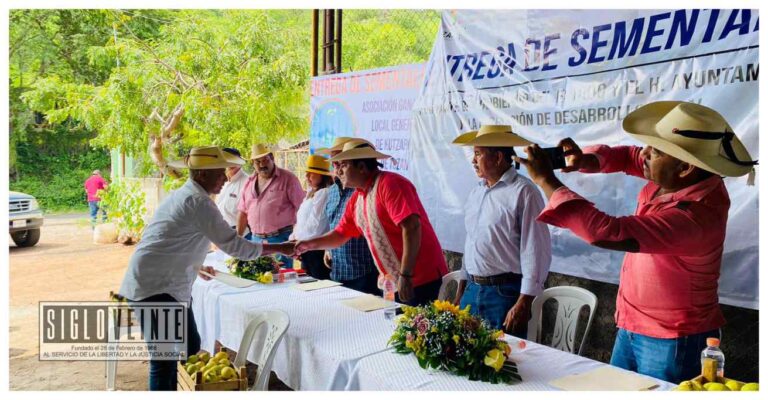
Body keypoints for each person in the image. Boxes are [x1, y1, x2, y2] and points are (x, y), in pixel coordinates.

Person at [515, 101, 757, 383]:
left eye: (655, 151)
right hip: (631, 324)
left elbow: (608, 232)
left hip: (672, 340)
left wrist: (547, 181)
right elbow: (630, 157)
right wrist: (585, 161)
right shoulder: (679, 176)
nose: (645, 153)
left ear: (685, 167)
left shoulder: (696, 216)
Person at [119, 146, 294, 390]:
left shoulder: (188, 196)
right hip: (155, 287)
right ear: (202, 174)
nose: (224, 178)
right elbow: (235, 246)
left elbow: (170, 240)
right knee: (164, 361)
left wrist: (195, 265)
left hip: (165, 284)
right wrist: (281, 247)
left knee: (190, 347)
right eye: (219, 172)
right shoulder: (197, 201)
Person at [294, 141, 448, 306]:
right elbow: (340, 234)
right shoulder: (358, 198)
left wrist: (405, 274)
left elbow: (411, 227)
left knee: (417, 322)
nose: (338, 171)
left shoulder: (390, 183)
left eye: (343, 165)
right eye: (337, 165)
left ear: (361, 167)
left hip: (420, 278)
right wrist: (306, 244)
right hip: (394, 280)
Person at [451, 125, 552, 336]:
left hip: (504, 294)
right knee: (466, 352)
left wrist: (524, 301)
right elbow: (471, 243)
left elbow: (535, 249)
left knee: (503, 354)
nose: (473, 160)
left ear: (498, 157)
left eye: (478, 154)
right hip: (472, 289)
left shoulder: (524, 191)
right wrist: (461, 289)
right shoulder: (477, 192)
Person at [317, 137, 380, 295]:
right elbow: (333, 224)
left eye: (341, 162)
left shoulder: (364, 190)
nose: (337, 167)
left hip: (363, 272)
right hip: (337, 270)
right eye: (334, 162)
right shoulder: (332, 191)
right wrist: (327, 249)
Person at [236, 144, 305, 268]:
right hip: (255, 240)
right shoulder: (249, 182)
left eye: (265, 160)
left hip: (281, 240)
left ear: (272, 158)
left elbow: (302, 209)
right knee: (257, 275)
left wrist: (296, 236)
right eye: (258, 161)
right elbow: (243, 212)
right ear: (253, 163)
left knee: (281, 276)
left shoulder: (288, 179)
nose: (262, 164)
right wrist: (237, 239)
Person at [289, 154, 333, 279]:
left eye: (311, 174)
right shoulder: (311, 192)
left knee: (317, 282)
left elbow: (316, 226)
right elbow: (301, 222)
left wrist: (299, 242)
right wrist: (294, 239)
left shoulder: (324, 193)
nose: (307, 177)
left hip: (315, 249)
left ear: (322, 175)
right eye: (307, 173)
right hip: (305, 247)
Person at [214, 147, 250, 230]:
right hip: (219, 230)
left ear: (240, 162)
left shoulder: (248, 182)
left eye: (234, 161)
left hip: (239, 232)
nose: (231, 164)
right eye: (227, 161)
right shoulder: (221, 181)